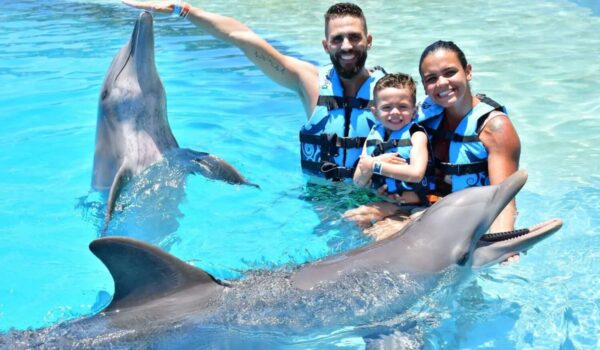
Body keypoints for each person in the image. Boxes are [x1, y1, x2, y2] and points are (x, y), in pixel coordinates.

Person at [122, 1, 385, 182]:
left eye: (354, 37)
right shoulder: (310, 83)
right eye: (338, 39)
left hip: (371, 204)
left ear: (369, 41)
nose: (347, 46)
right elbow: (241, 36)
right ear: (326, 45)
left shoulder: (390, 93)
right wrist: (182, 8)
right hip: (320, 208)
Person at [345, 41, 521, 259]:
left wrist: (502, 245)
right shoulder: (423, 119)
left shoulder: (495, 128)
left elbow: (503, 199)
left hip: (468, 218)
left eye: (450, 72)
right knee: (358, 221)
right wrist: (391, 204)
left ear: (468, 71)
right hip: (428, 209)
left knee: (390, 242)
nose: (442, 83)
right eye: (431, 79)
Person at [352, 73, 430, 240]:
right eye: (387, 107)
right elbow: (358, 182)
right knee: (354, 217)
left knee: (384, 234)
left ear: (414, 110)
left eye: (402, 107)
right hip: (389, 203)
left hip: (418, 206)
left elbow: (416, 174)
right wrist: (374, 163)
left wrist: (376, 166)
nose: (395, 112)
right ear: (375, 112)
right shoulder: (374, 135)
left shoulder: (416, 135)